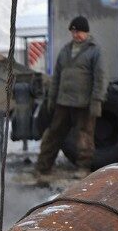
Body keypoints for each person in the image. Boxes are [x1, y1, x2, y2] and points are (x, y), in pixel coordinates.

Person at [36, 15, 106, 180]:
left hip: (84, 103)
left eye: (79, 31)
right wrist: (52, 99)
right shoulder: (65, 51)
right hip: (63, 102)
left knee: (84, 136)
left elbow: (101, 78)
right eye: (73, 31)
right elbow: (57, 77)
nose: (76, 35)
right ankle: (43, 167)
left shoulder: (95, 50)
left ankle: (83, 168)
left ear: (86, 32)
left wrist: (97, 101)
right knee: (53, 134)